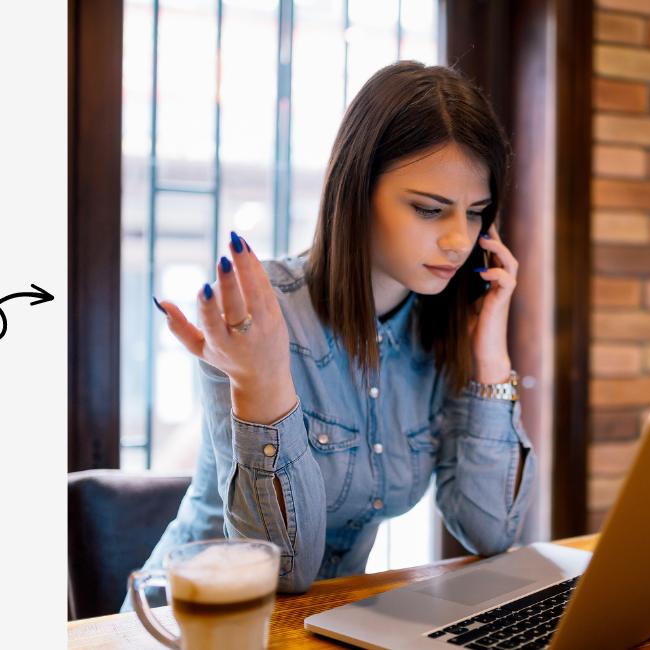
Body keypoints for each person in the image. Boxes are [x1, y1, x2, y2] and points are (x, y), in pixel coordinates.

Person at [142, 61, 537, 594]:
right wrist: (265, 385)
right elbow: (286, 571)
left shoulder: (440, 326)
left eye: (476, 213)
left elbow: (492, 532)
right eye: (429, 210)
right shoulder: (258, 319)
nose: (458, 240)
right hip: (188, 620)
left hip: (325, 624)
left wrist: (491, 359)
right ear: (357, 193)